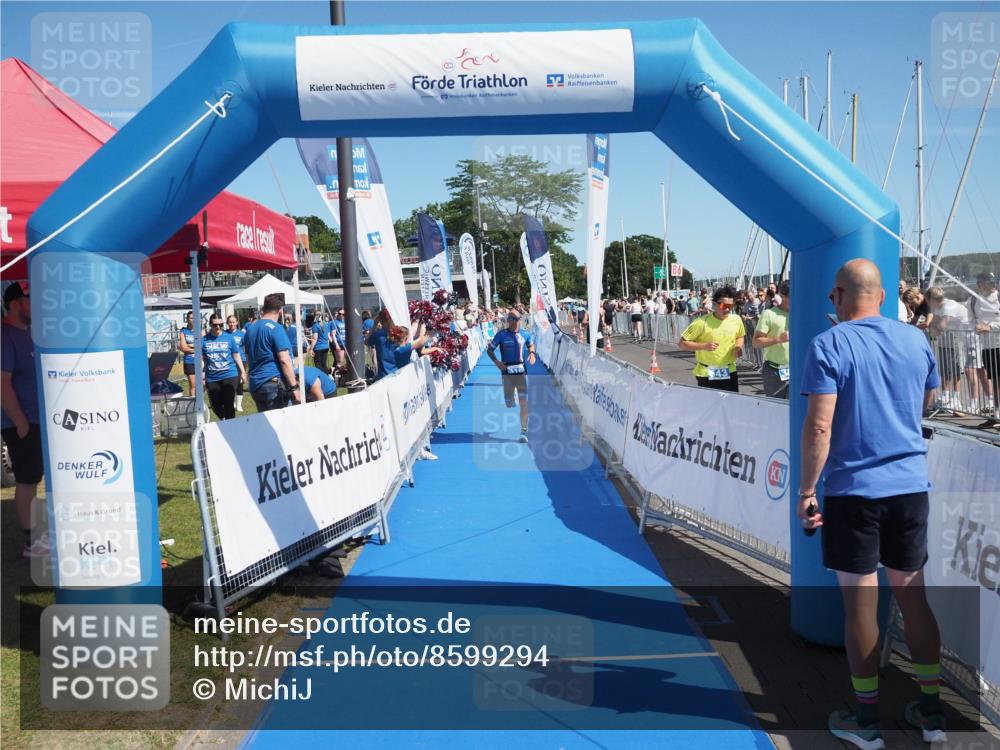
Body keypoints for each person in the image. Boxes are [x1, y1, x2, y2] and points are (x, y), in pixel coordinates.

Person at [799, 259, 945, 749]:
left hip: (855, 493)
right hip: (909, 487)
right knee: (913, 598)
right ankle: (930, 714)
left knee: (860, 606)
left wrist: (806, 491)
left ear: (838, 297)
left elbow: (820, 426)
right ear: (882, 297)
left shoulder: (829, 344)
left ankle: (866, 725)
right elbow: (925, 403)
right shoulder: (916, 340)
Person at [1, 282, 50, 558]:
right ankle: (31, 542)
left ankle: (39, 535)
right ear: (17, 303)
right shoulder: (5, 336)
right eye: (32, 299)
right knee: (27, 479)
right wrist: (19, 420)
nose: (37, 306)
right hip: (21, 421)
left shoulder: (30, 333)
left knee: (34, 476)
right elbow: (2, 384)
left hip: (38, 419)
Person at [678, 285, 745, 392]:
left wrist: (738, 347)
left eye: (730, 306)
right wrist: (704, 346)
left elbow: (740, 336)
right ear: (715, 304)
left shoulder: (736, 319)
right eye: (724, 305)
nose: (727, 309)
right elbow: (682, 343)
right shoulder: (701, 322)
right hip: (707, 372)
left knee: (730, 406)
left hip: (729, 370)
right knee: (710, 407)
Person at [243, 293, 302, 411]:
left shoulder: (250, 329)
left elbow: (248, 357)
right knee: (281, 425)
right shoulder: (276, 329)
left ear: (264, 308)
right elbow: (284, 360)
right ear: (280, 310)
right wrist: (294, 388)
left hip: (256, 384)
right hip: (274, 383)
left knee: (266, 425)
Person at [487, 311, 536, 443]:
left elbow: (531, 344)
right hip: (506, 371)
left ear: (520, 320)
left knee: (524, 403)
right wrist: (497, 363)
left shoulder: (525, 333)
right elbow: (489, 350)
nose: (512, 321)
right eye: (510, 319)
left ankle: (524, 431)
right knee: (509, 404)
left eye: (514, 319)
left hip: (520, 371)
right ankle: (510, 398)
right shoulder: (501, 334)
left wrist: (532, 353)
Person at [969, 272, 1000, 424]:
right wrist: (975, 327)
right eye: (987, 282)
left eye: (992, 282)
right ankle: (996, 415)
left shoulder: (998, 298)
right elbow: (972, 320)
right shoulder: (975, 299)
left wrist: (990, 327)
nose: (992, 285)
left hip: (998, 343)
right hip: (987, 346)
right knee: (994, 381)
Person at [202, 313, 246, 420]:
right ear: (210, 325)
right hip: (212, 376)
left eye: (220, 325)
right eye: (215, 325)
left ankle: (230, 427)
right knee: (215, 405)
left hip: (230, 374)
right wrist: (201, 375)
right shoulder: (204, 340)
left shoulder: (229, 338)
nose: (218, 327)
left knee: (228, 403)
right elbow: (202, 359)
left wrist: (243, 372)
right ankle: (223, 419)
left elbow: (236, 355)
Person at [752, 280, 791, 398]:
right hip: (775, 371)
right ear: (782, 296)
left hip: (798, 370)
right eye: (792, 296)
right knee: (777, 409)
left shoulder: (801, 314)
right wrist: (778, 339)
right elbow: (756, 342)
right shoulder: (769, 314)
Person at [226, 316, 247, 412]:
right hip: (228, 362)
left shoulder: (241, 334)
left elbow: (246, 347)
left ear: (237, 323)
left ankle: (238, 405)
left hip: (241, 361)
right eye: (230, 322)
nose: (232, 324)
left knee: (239, 383)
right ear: (227, 323)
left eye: (233, 322)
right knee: (230, 383)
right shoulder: (224, 334)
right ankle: (231, 402)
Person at [178, 311, 198, 396]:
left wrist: (189, 345)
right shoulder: (183, 331)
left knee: (203, 384)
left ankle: (200, 402)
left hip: (200, 361)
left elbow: (202, 345)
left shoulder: (200, 330)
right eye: (191, 318)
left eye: (194, 318)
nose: (193, 320)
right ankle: (194, 404)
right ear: (187, 319)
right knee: (193, 385)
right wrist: (196, 348)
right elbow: (183, 347)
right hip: (189, 361)